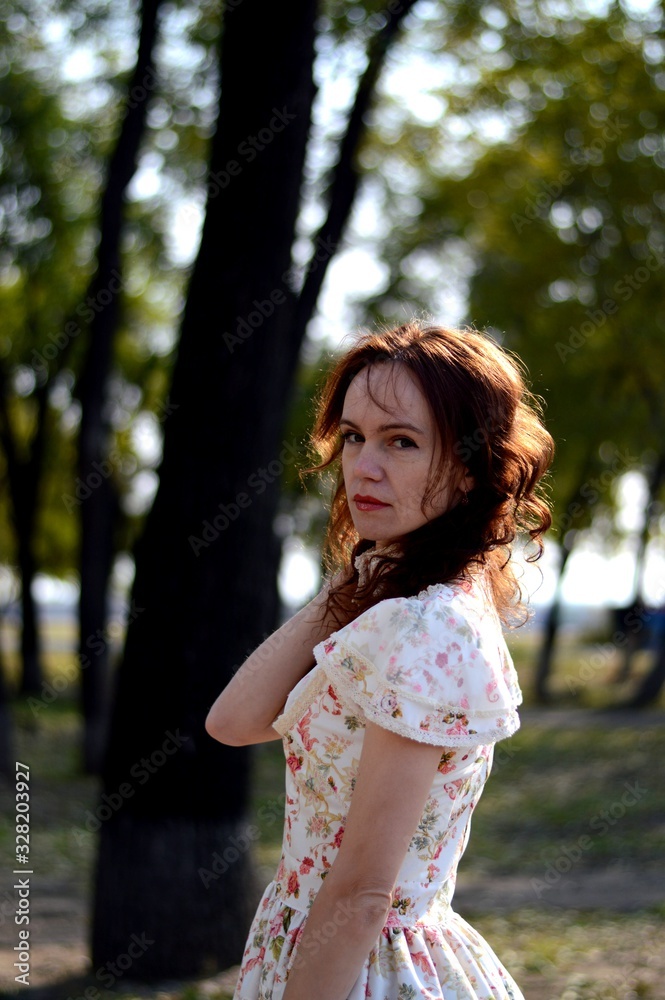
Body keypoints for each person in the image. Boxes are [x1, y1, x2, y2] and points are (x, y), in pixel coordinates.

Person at [206, 321, 554, 1000]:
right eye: (354, 437)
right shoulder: (399, 605)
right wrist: (353, 581)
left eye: (400, 441)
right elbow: (234, 720)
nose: (363, 466)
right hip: (328, 948)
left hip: (362, 968)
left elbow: (365, 893)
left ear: (470, 464)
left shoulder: (427, 628)